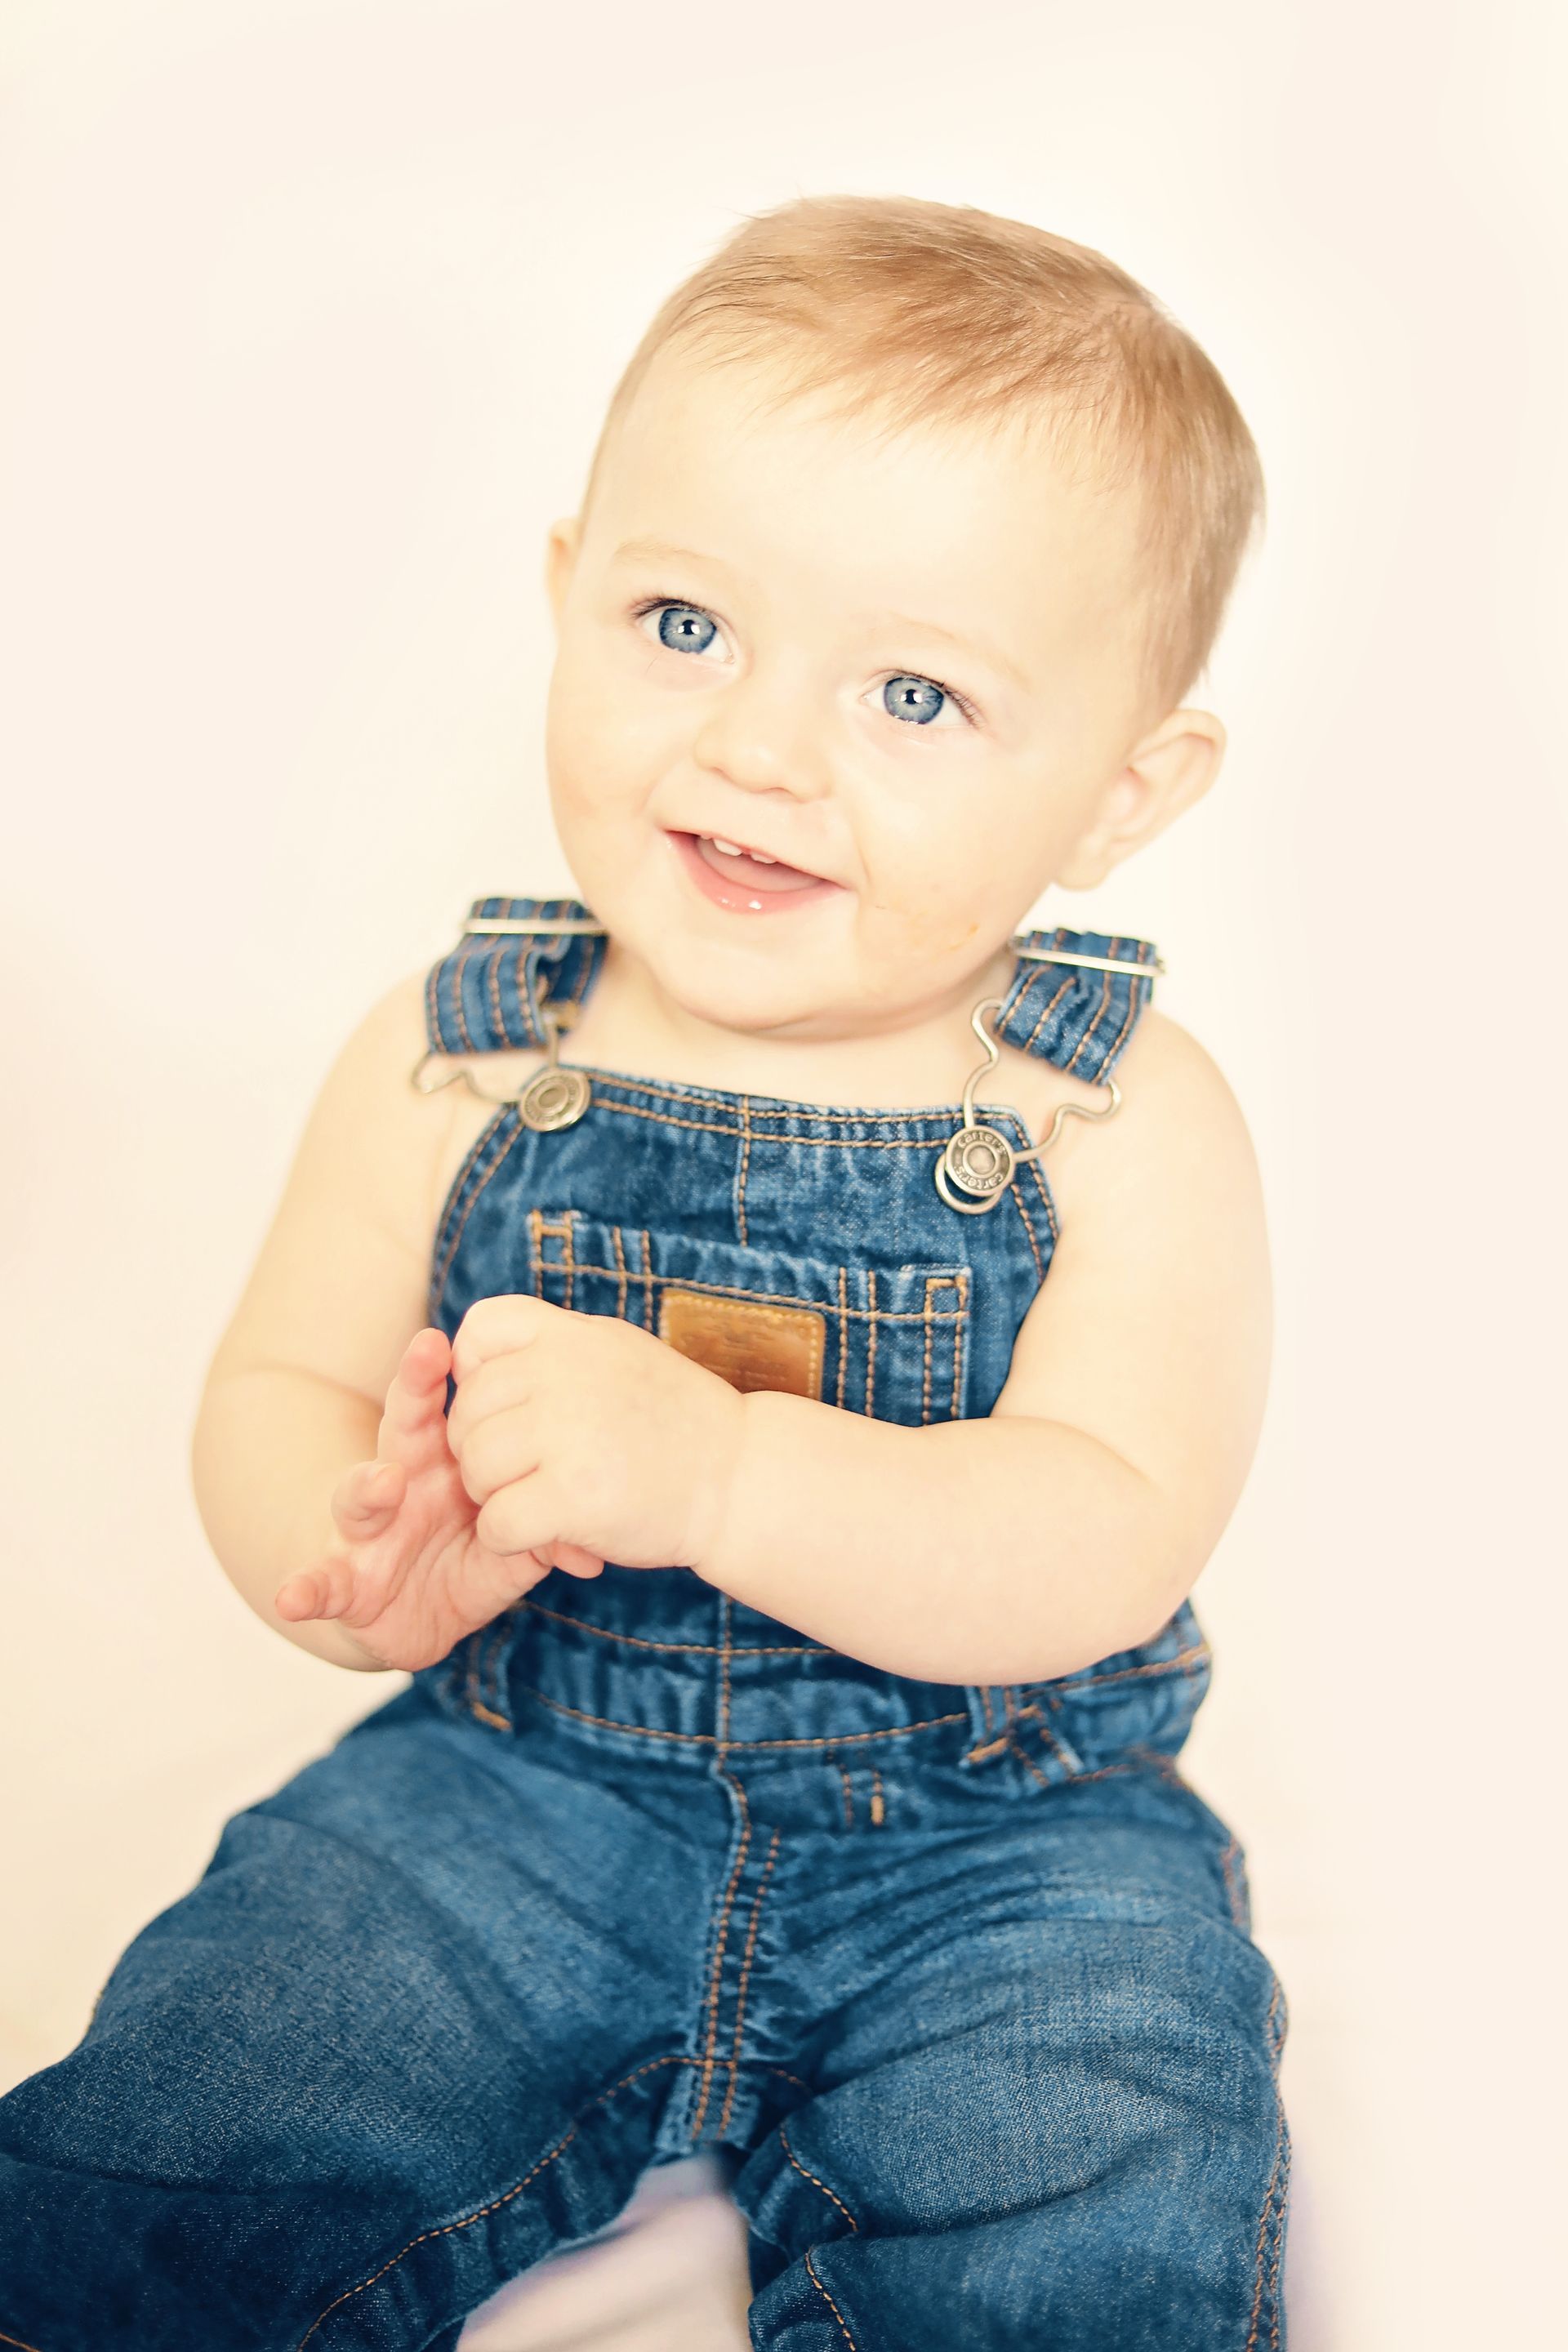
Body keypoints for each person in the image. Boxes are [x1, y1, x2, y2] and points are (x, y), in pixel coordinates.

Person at [0, 193, 1288, 2350]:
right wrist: (337, 1540)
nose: (761, 747)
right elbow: (281, 1382)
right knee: (218, 2096)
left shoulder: (1117, 1116)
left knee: (1098, 2168)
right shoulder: (462, 1048)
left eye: (914, 693)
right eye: (686, 626)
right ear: (566, 593)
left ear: (1121, 791)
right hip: (509, 1782)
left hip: (998, 1840)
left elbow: (1100, 1532)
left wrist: (719, 1483)